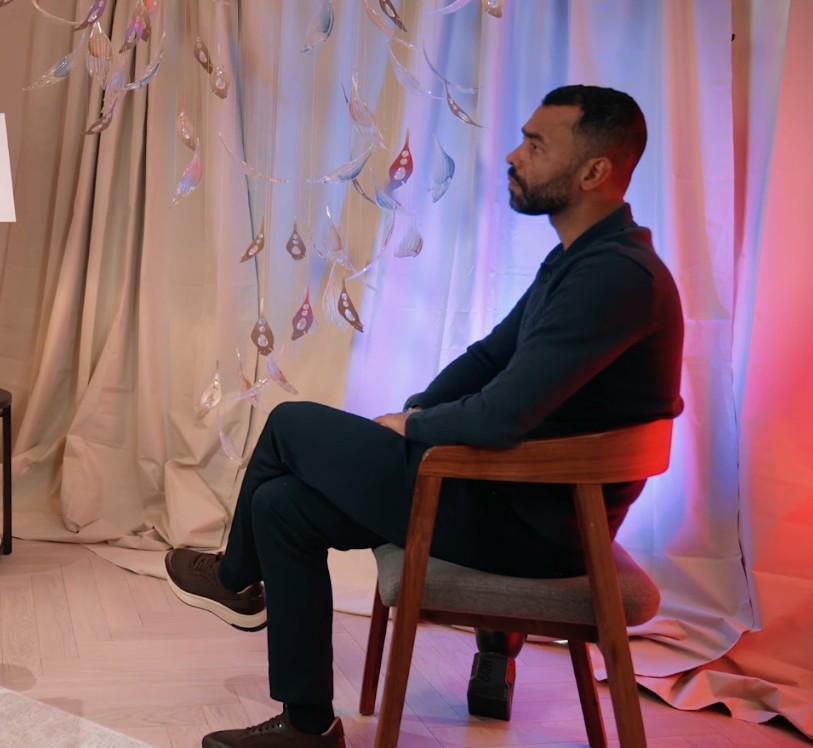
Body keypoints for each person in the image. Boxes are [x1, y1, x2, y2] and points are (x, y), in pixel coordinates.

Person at [166, 85, 683, 747]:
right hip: (505, 497)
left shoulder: (614, 278)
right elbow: (487, 357)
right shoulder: (579, 261)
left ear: (592, 172)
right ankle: (308, 727)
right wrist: (415, 411)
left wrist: (411, 430)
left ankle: (237, 581)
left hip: (533, 527)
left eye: (535, 144)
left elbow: (500, 418)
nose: (513, 155)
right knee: (281, 507)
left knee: (291, 423)